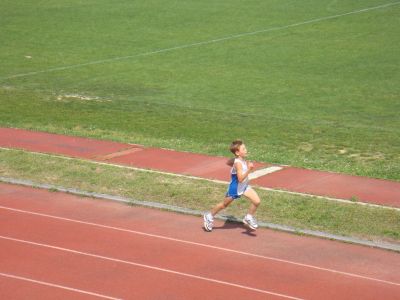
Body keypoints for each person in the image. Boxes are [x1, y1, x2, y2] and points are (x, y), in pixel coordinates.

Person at [203, 139, 261, 231]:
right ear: (238, 152)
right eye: (244, 149)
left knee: (257, 201)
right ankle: (209, 216)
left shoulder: (239, 160)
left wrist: (235, 163)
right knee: (224, 205)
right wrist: (249, 169)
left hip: (244, 187)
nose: (246, 150)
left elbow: (228, 162)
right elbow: (240, 179)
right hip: (235, 188)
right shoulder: (238, 164)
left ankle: (248, 217)